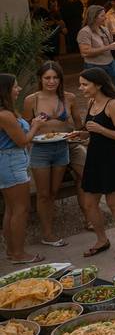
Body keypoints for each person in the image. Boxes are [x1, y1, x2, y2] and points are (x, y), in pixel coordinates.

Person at [23, 62, 87, 247]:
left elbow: (78, 124)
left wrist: (76, 133)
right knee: (43, 194)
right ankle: (47, 234)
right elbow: (25, 128)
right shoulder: (31, 100)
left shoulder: (69, 98)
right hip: (40, 149)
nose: (51, 81)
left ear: (60, 79)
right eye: (47, 78)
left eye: (55, 77)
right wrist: (34, 127)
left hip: (62, 146)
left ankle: (85, 219)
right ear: (40, 79)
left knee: (53, 192)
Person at [73, 67, 115, 260]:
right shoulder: (91, 102)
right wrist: (82, 134)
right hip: (94, 158)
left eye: (84, 84)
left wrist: (100, 129)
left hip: (112, 158)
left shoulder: (113, 104)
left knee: (114, 204)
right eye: (80, 84)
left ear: (98, 85)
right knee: (89, 203)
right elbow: (91, 131)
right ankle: (102, 240)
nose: (81, 88)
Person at [0, 74, 47, 263]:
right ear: (5, 90)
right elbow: (22, 141)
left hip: (9, 161)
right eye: (15, 86)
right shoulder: (5, 115)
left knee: (11, 208)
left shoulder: (7, 112)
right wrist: (35, 126)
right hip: (12, 162)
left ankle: (12, 251)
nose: (18, 89)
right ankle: (19, 254)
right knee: (21, 209)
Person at [77, 5, 115, 88]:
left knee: (113, 88)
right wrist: (108, 47)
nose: (105, 18)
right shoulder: (85, 32)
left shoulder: (104, 29)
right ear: (93, 17)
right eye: (102, 16)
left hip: (111, 63)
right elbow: (85, 52)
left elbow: (110, 44)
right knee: (98, 91)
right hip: (95, 66)